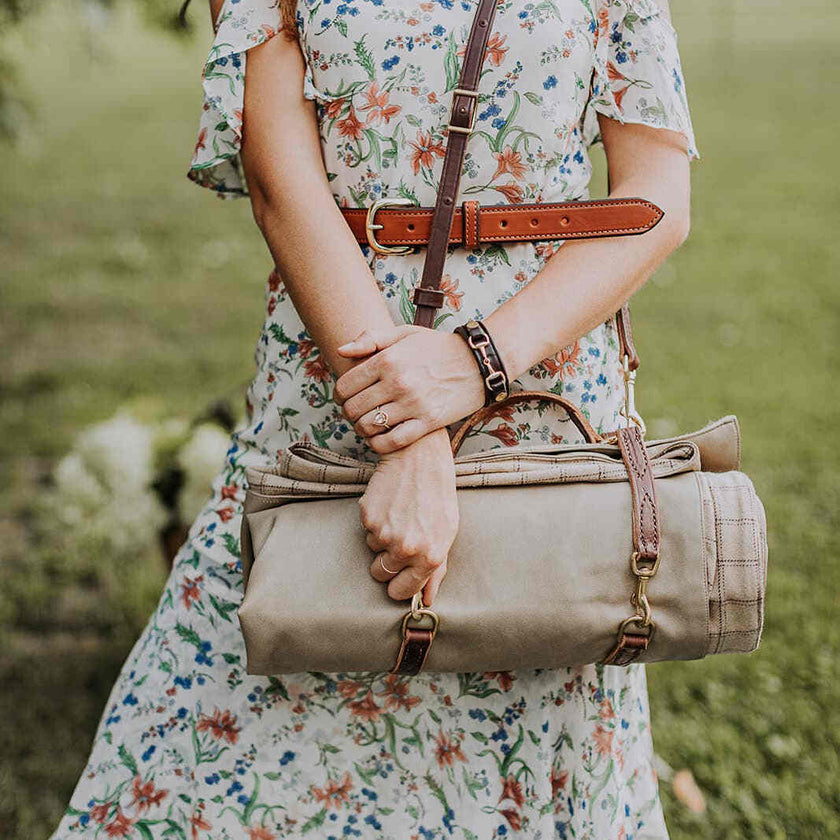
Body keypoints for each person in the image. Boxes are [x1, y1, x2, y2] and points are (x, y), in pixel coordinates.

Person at [49, 0, 697, 836]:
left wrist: (472, 364)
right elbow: (280, 179)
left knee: (530, 740)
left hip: (539, 407)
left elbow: (655, 196)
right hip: (332, 391)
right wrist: (411, 427)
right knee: (222, 743)